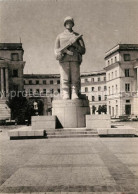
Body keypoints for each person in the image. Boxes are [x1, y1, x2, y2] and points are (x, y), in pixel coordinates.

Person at [54, 16, 86, 100]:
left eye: (70, 22)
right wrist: (63, 52)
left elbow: (83, 50)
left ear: (73, 24)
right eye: (67, 23)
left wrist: (76, 45)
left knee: (75, 77)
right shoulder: (59, 36)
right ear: (65, 24)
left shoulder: (77, 36)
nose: (69, 24)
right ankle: (65, 92)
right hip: (64, 60)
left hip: (75, 59)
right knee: (65, 77)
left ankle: (74, 92)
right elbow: (56, 50)